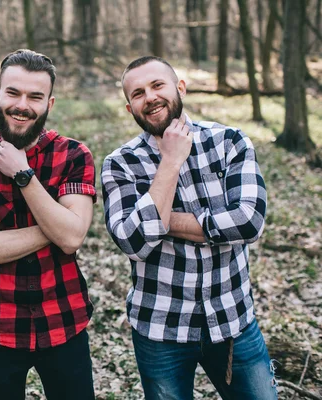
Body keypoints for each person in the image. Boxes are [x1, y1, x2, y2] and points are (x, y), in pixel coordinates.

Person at [101, 55, 277, 400]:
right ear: (129, 108)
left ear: (179, 88)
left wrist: (160, 220)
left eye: (157, 85)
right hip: (160, 327)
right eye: (137, 93)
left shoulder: (229, 141)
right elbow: (133, 242)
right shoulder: (120, 164)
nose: (149, 97)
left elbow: (249, 221)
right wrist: (171, 160)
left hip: (233, 321)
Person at [0, 49, 96, 400]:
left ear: (49, 103)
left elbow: (73, 236)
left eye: (35, 96)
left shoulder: (75, 155)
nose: (22, 105)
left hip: (65, 320)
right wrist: (58, 226)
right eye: (13, 93)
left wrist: (23, 175)